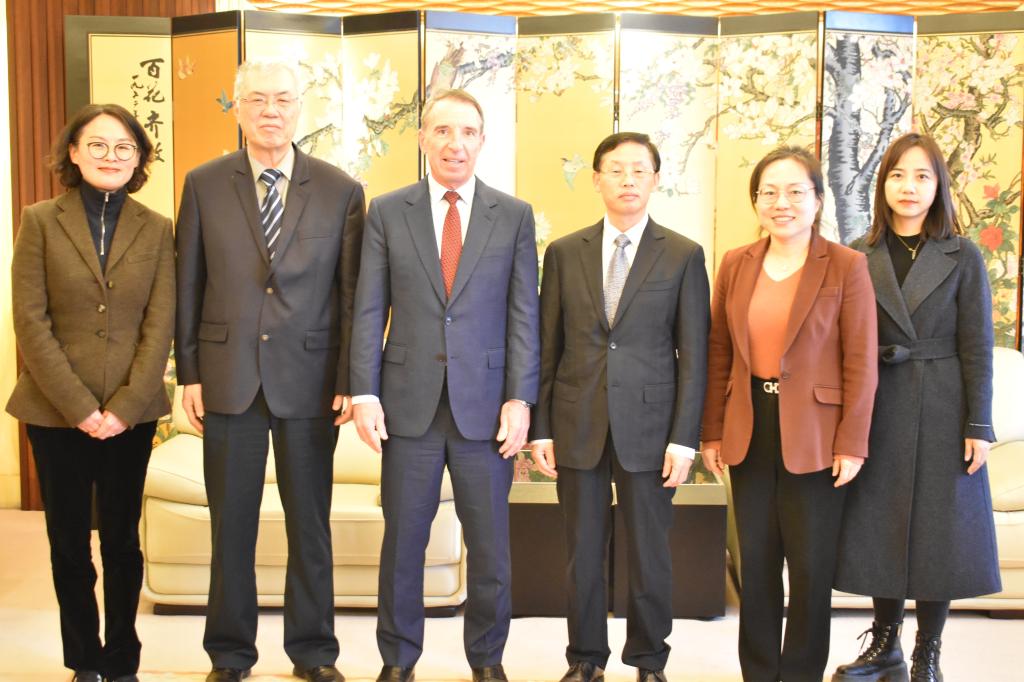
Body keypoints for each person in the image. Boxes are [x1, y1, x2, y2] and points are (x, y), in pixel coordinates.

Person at [175, 59, 365, 682]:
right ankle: (229, 655)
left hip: (311, 382)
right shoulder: (204, 183)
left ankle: (314, 652)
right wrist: (189, 373)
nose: (270, 111)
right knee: (231, 526)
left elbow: (352, 296)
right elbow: (188, 284)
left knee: (310, 525)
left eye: (282, 99)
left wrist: (348, 379)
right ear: (237, 108)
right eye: (257, 99)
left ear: (299, 107)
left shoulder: (340, 190)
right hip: (227, 376)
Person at [350, 88, 539, 682]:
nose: (455, 143)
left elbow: (524, 314)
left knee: (490, 548)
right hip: (408, 407)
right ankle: (397, 659)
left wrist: (520, 398)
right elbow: (368, 308)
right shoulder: (388, 211)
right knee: (403, 544)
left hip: (486, 409)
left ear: (482, 141)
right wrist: (364, 392)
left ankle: (487, 659)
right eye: (442, 130)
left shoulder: (513, 215)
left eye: (467, 132)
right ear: (423, 138)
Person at [529, 132, 710, 682]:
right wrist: (541, 429)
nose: (627, 179)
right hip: (576, 422)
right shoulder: (564, 252)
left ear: (656, 180)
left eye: (639, 170)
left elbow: (694, 357)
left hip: (652, 429)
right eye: (616, 169)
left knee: (650, 553)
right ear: (596, 180)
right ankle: (585, 658)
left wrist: (684, 439)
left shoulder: (683, 254)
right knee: (582, 553)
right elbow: (547, 346)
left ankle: (649, 660)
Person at [6, 103, 174, 682]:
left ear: (138, 159)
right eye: (98, 145)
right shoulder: (39, 221)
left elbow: (160, 324)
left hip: (132, 413)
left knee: (123, 543)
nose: (111, 156)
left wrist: (124, 407)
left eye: (124, 147)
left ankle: (122, 659)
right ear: (73, 153)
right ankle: (84, 660)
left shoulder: (157, 227)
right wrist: (79, 407)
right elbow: (30, 320)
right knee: (69, 544)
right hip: (55, 413)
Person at [700, 146, 878, 682]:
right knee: (755, 564)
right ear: (756, 202)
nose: (782, 203)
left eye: (796, 191)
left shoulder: (846, 265)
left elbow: (861, 361)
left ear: (817, 200)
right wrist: (712, 431)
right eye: (769, 192)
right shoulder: (736, 263)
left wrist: (852, 442)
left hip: (818, 434)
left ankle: (800, 673)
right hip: (749, 423)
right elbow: (718, 352)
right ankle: (758, 672)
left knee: (809, 569)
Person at [832, 133, 1000, 682]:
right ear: (883, 184)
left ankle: (928, 651)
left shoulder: (962, 254)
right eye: (898, 175)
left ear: (938, 186)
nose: (909, 186)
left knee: (937, 530)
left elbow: (977, 345)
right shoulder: (857, 253)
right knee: (881, 523)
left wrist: (979, 423)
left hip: (944, 402)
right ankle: (885, 645)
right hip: (878, 403)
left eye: (922, 176)